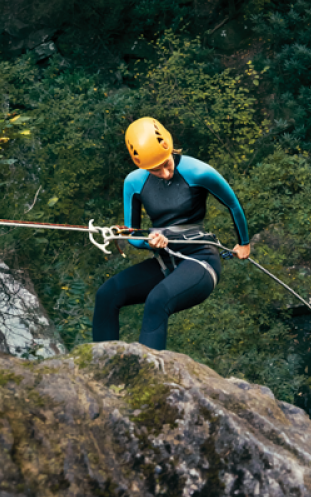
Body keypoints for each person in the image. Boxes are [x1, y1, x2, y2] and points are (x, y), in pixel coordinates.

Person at [91, 117, 251, 349]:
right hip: (165, 262)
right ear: (142, 166)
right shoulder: (134, 183)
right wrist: (149, 242)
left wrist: (243, 243)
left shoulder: (199, 171)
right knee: (107, 294)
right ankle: (101, 369)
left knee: (157, 300)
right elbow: (133, 235)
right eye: (155, 170)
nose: (165, 173)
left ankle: (148, 380)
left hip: (200, 260)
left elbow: (233, 205)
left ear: (170, 147)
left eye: (166, 164)